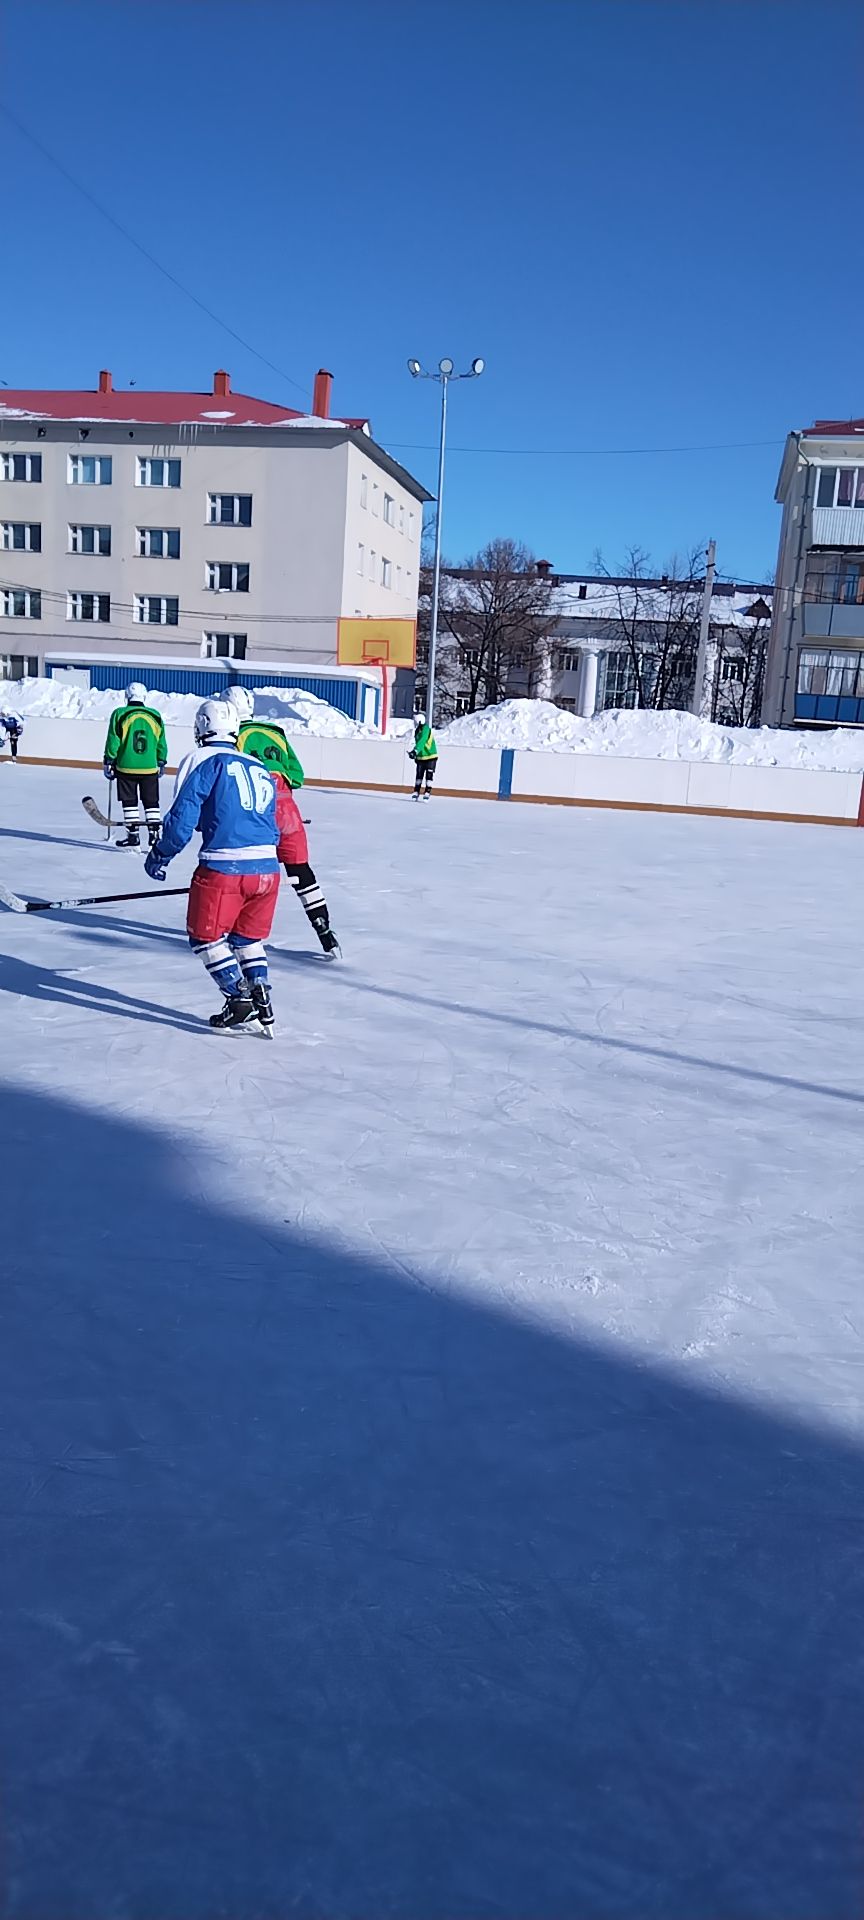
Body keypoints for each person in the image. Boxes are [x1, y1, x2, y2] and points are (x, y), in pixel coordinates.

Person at [145, 698, 280, 1032]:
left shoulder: (205, 760)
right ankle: (260, 991)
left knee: (204, 936)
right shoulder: (256, 765)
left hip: (224, 869)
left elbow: (181, 820)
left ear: (201, 727)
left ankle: (239, 996)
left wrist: (160, 855)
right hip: (267, 870)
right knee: (247, 938)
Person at [225, 684, 340, 959]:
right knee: (301, 870)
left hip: (254, 813)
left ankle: (237, 931)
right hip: (287, 811)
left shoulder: (232, 736)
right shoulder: (275, 733)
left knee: (247, 870)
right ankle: (323, 926)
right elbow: (297, 776)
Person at [103, 682, 168, 849]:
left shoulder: (119, 713)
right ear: (144, 696)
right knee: (151, 801)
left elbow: (113, 740)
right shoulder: (155, 715)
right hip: (149, 767)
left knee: (129, 800)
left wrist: (109, 759)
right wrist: (161, 760)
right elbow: (161, 741)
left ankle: (133, 835)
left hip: (126, 766)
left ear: (127, 696)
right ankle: (154, 835)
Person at [410, 712, 438, 799]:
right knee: (419, 775)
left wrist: (415, 751)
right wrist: (415, 753)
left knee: (429, 775)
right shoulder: (417, 731)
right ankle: (416, 791)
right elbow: (418, 744)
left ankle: (427, 791)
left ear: (419, 722)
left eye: (415, 721)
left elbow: (422, 742)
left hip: (430, 756)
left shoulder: (426, 730)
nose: (414, 723)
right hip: (421, 756)